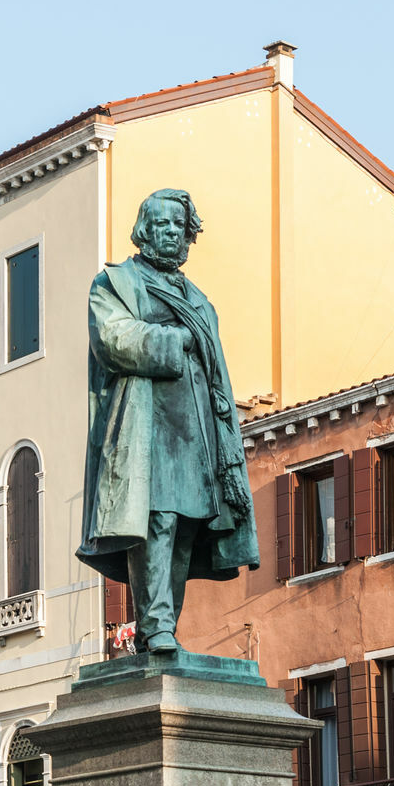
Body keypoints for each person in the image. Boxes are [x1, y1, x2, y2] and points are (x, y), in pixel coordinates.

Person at [78, 189, 258, 652]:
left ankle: (164, 627)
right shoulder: (116, 283)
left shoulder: (199, 299)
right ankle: (155, 626)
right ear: (144, 231)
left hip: (195, 426)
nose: (172, 233)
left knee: (185, 523)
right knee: (155, 518)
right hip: (146, 423)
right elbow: (113, 339)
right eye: (163, 225)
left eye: (179, 226)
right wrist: (174, 340)